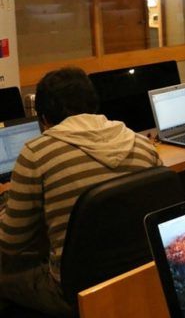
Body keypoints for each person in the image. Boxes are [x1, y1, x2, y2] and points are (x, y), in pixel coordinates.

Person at [0, 67, 162, 317]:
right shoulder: (143, 146)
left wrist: (7, 208)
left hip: (71, 291)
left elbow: (11, 243)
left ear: (43, 119)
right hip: (139, 277)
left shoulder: (36, 153)